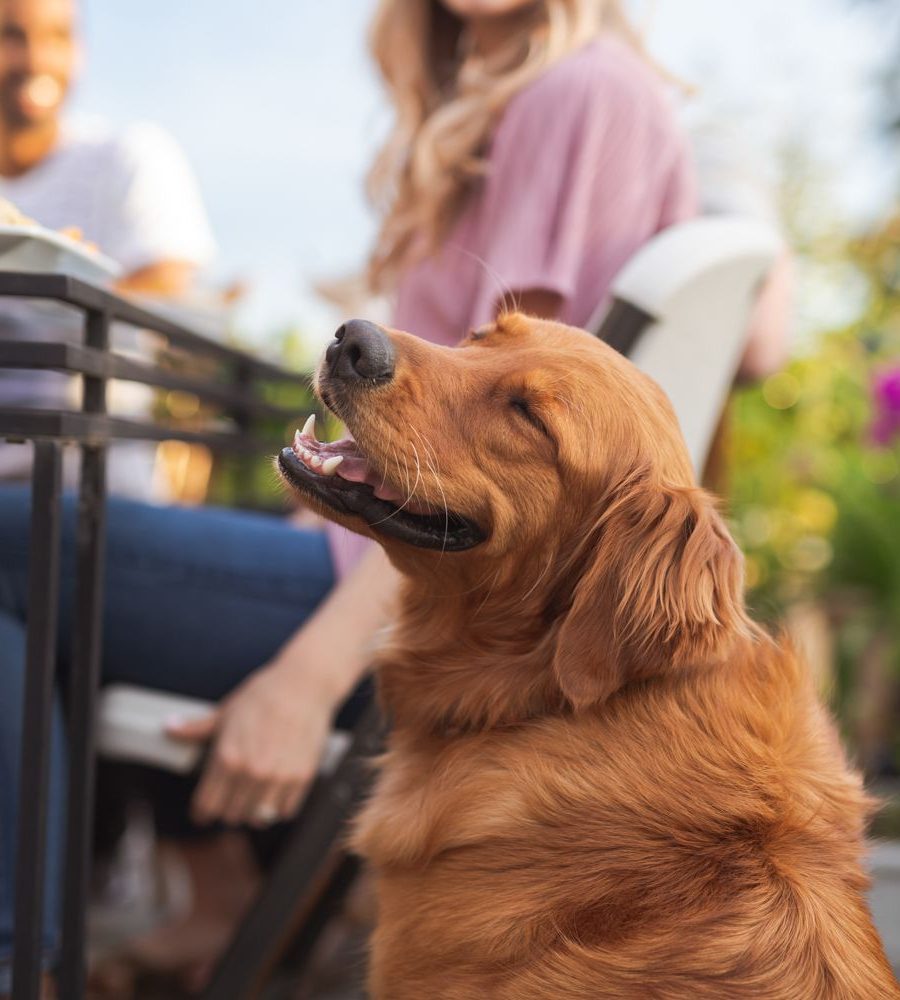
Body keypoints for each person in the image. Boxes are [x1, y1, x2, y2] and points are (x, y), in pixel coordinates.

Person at [0, 0, 782, 991]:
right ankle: (216, 897)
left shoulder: (578, 96)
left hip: (393, 592)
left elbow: (505, 457)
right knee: (105, 532)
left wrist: (313, 674)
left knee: (16, 542)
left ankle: (21, 959)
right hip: (369, 551)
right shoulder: (530, 96)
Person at [0, 0, 216, 493]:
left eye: (57, 37)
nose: (36, 60)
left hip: (95, 485)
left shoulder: (130, 156)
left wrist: (65, 276)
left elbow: (170, 285)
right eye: (13, 36)